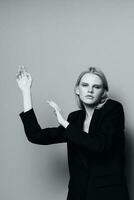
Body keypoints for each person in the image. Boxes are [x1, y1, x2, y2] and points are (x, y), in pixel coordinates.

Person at [16, 66, 130, 200]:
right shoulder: (74, 119)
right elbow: (36, 135)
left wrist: (64, 123)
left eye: (96, 87)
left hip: (109, 195)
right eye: (85, 85)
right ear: (77, 89)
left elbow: (100, 146)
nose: (90, 90)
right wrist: (25, 91)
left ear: (103, 92)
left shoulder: (113, 110)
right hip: (78, 194)